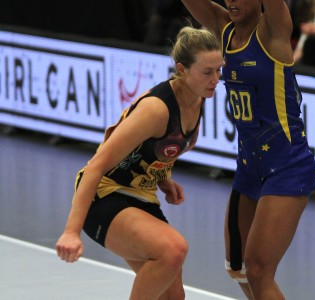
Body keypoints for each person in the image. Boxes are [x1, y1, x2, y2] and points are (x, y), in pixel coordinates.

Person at [55, 26, 223, 300]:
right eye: (207, 72)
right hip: (105, 194)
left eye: (219, 70)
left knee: (172, 297)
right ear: (182, 69)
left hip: (141, 195)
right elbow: (97, 164)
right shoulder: (156, 109)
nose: (215, 79)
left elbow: (153, 151)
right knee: (173, 249)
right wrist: (71, 232)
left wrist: (162, 178)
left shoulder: (197, 99)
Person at [181, 1, 315, 299]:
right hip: (249, 166)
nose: (232, 2)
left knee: (258, 270)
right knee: (238, 267)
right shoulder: (224, 29)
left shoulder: (273, 31)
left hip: (286, 166)